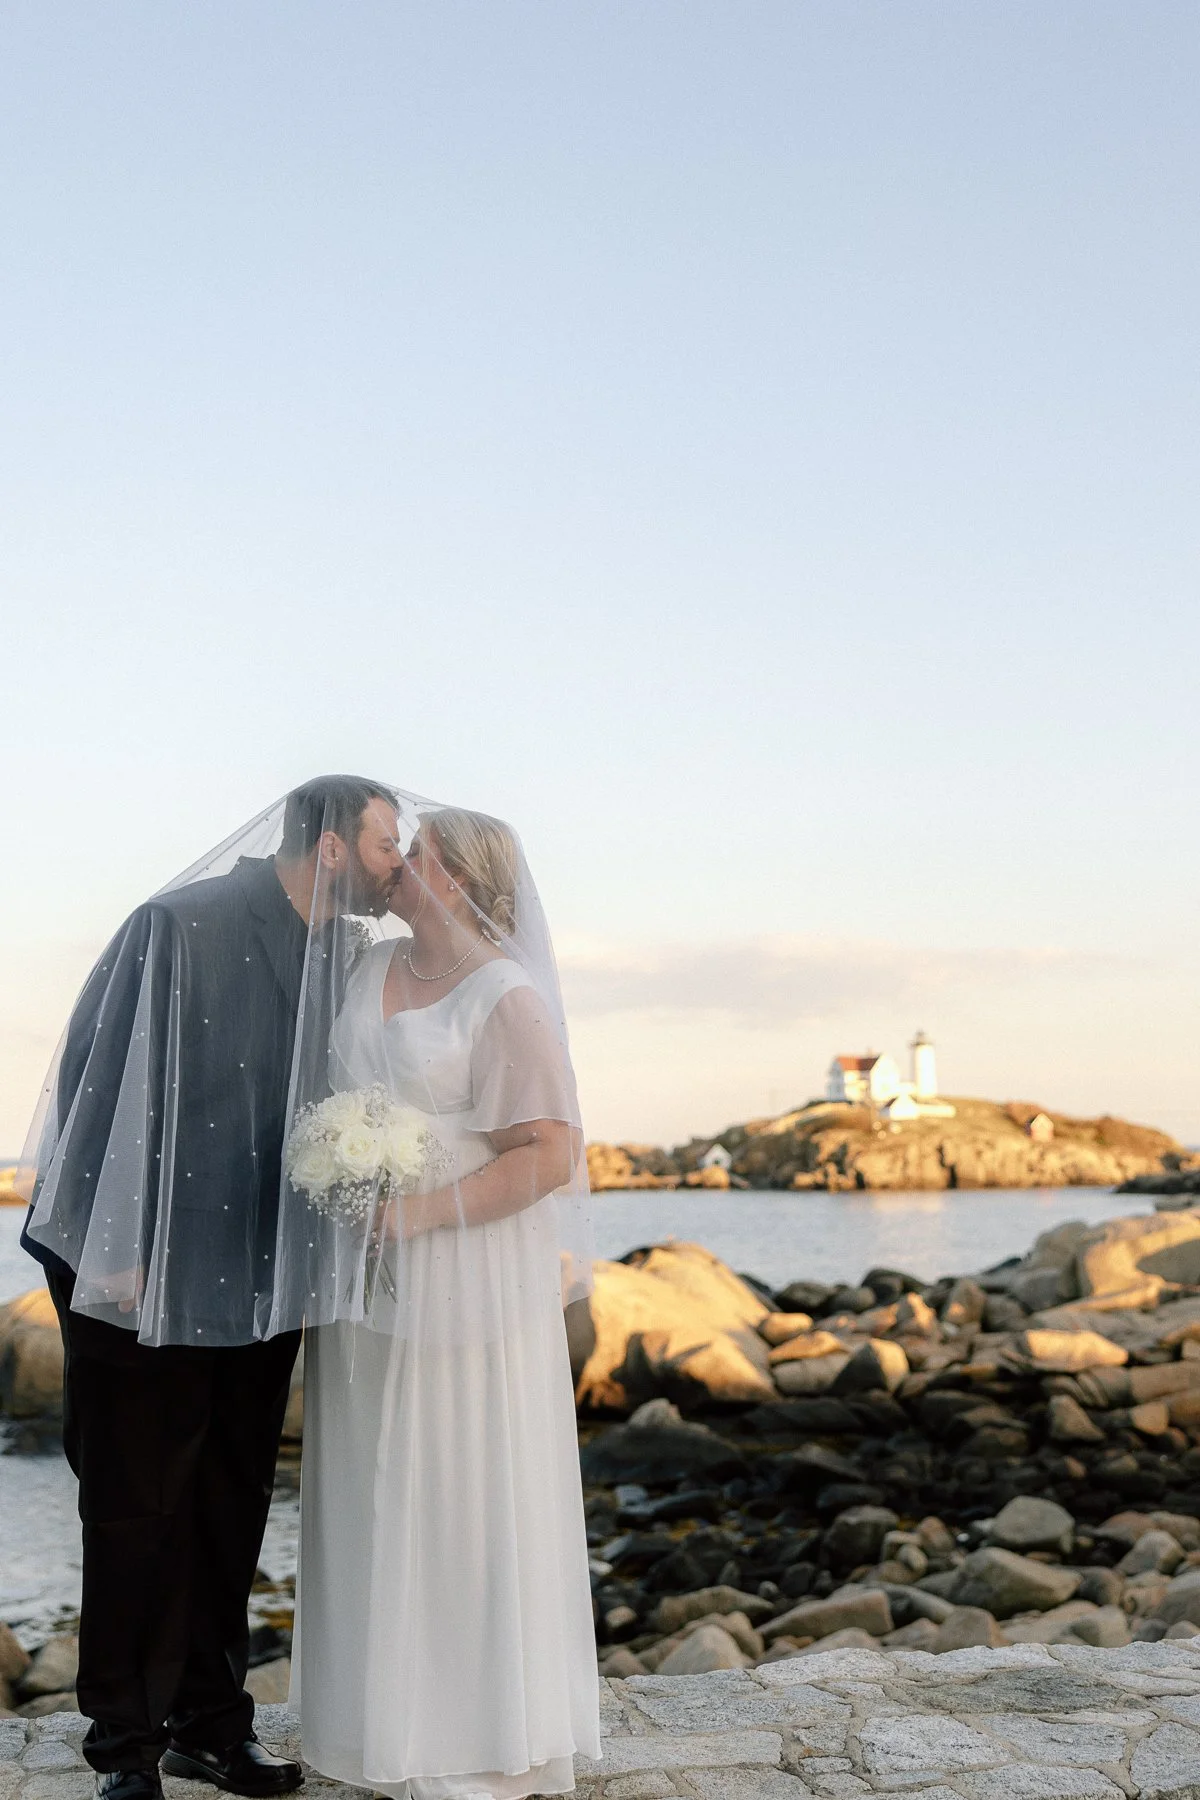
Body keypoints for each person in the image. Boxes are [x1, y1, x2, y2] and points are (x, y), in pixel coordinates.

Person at [18, 775, 404, 1800]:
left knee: (232, 1495)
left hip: (264, 1263)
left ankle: (210, 1727)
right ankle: (123, 1750)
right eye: (380, 846)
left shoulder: (346, 957)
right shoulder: (174, 924)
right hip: (137, 1270)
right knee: (136, 1506)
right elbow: (90, 1083)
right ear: (327, 845)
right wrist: (111, 1250)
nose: (393, 865)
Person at [287, 807, 600, 1800]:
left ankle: (477, 1738)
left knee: (460, 1484)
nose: (396, 862)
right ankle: (374, 1726)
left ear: (459, 881)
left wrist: (420, 1212)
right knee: (376, 1477)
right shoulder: (362, 968)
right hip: (367, 1274)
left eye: (414, 852)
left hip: (465, 1269)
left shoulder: (506, 998)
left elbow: (549, 1153)